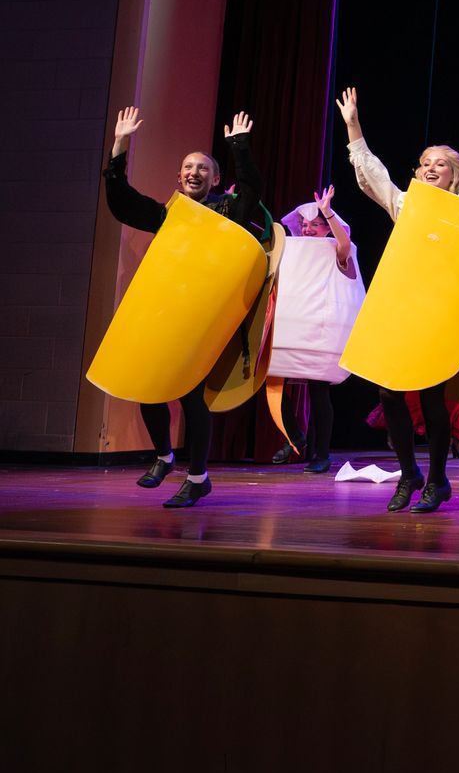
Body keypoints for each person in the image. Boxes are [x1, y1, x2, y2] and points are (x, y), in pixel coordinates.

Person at [338, 85, 459, 514]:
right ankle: (409, 473)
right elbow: (374, 177)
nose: (431, 168)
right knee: (390, 395)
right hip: (402, 307)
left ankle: (438, 479)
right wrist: (353, 125)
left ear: (454, 175)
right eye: (426, 163)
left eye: (441, 164)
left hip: (440, 311)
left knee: (431, 398)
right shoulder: (407, 204)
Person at [101, 106, 263, 508]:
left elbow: (250, 194)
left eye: (203, 168)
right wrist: (120, 144)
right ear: (179, 177)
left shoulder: (228, 212)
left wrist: (239, 148)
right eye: (188, 167)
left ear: (215, 178)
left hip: (201, 318)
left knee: (191, 397)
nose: (194, 172)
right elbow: (122, 202)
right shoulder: (168, 215)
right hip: (165, 314)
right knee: (149, 387)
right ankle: (163, 456)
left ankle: (198, 477)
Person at [269, 187, 364, 475]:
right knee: (270, 381)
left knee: (318, 390)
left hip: (320, 328)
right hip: (290, 323)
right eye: (305, 224)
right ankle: (296, 438)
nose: (308, 229)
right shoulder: (290, 250)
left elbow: (344, 243)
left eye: (315, 224)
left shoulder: (336, 248)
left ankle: (321, 454)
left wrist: (328, 212)